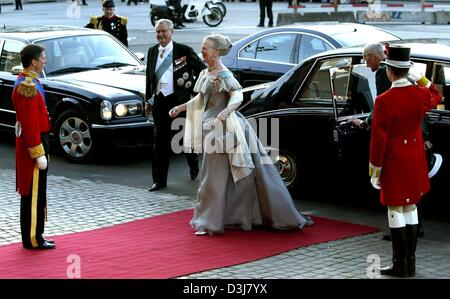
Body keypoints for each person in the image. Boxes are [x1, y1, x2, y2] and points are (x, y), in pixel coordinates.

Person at [169, 33, 313, 235]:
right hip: (210, 127)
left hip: (225, 128)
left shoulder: (225, 75)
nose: (202, 51)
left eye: (205, 48)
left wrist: (225, 112)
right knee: (218, 175)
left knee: (215, 176)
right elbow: (200, 101)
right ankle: (226, 217)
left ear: (216, 52)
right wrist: (181, 108)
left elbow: (237, 96)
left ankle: (210, 222)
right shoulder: (206, 74)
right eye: (202, 47)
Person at [369, 44, 442, 277]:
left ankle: (400, 264)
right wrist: (420, 78)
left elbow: (379, 140)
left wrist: (375, 170)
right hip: (414, 158)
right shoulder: (420, 94)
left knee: (395, 207)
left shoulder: (384, 100)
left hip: (394, 159)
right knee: (411, 205)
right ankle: (410, 263)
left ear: (389, 71)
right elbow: (437, 94)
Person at [145, 19, 205, 192]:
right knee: (159, 142)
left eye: (164, 31)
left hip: (180, 101)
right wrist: (148, 99)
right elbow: (149, 77)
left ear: (171, 32)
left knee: (186, 139)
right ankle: (159, 180)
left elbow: (202, 70)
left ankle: (193, 165)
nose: (160, 35)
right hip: (160, 101)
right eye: (157, 32)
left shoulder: (183, 51)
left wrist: (194, 90)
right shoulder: (152, 51)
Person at [12, 45, 55, 250]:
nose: (45, 61)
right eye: (43, 58)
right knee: (32, 193)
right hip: (33, 144)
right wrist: (38, 153)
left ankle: (36, 234)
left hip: (36, 140)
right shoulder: (27, 85)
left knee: (36, 192)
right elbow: (29, 123)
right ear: (33, 62)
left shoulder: (30, 80)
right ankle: (33, 238)